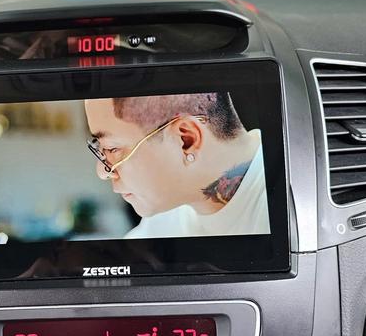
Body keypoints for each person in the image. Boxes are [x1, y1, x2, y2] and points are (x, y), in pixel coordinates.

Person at [84, 92, 269, 239]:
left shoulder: (279, 209)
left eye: (112, 148)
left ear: (186, 140)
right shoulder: (167, 216)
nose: (102, 172)